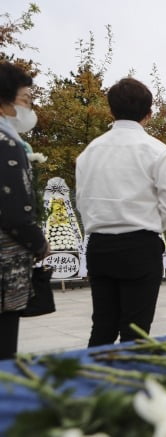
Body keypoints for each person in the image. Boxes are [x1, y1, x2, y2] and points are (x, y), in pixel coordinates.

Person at [76, 77, 166, 347]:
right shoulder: (158, 151)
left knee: (102, 326)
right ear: (148, 114)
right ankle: (129, 385)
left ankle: (92, 382)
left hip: (99, 244)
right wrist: (153, 225)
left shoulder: (89, 152)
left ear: (111, 111)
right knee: (136, 331)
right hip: (139, 244)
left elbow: (82, 201)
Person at [0, 61, 49, 359]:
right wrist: (39, 243)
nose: (29, 109)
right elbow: (14, 212)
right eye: (25, 101)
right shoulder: (6, 143)